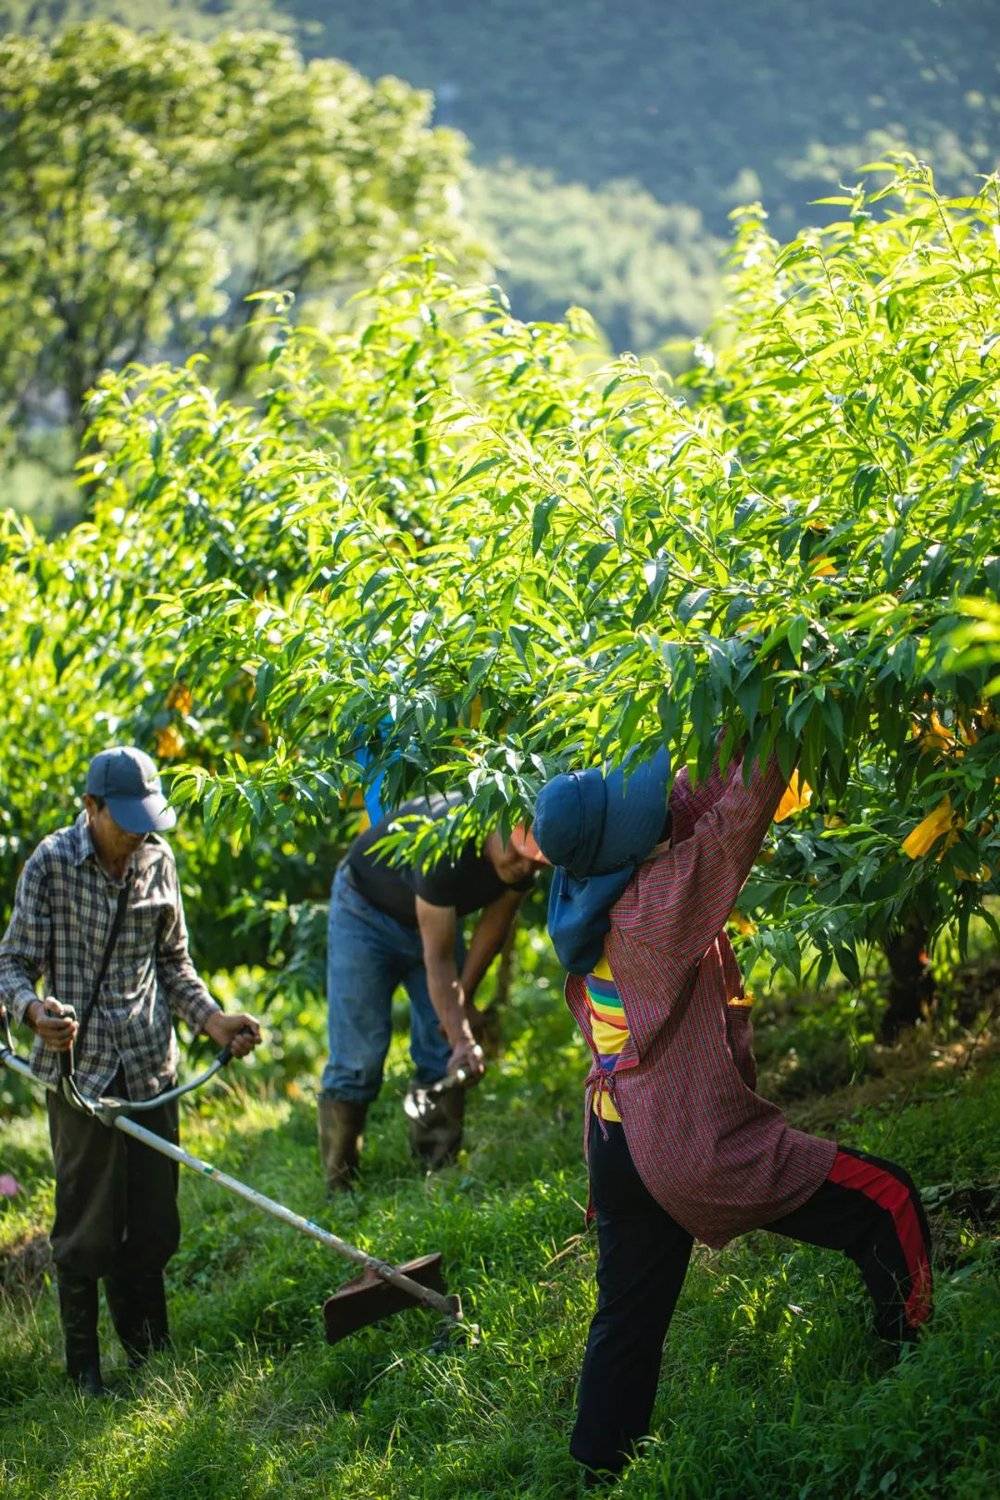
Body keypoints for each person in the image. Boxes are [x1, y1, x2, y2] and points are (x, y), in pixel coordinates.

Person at [528, 739, 932, 1487]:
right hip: (686, 1143)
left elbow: (685, 803)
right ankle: (923, 1358)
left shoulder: (580, 890)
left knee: (628, 1314)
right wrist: (781, 722)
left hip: (616, 1141)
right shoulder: (656, 908)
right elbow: (734, 822)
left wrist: (729, 708)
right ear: (627, 846)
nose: (658, 809)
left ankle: (596, 1464)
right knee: (888, 1199)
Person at [0, 746, 261, 1396]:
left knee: (154, 1221)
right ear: (90, 808)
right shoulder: (52, 864)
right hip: (79, 1072)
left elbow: (174, 965)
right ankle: (84, 1373)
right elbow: (11, 963)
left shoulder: (157, 861)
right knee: (87, 1227)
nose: (138, 832)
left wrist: (213, 1021)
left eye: (146, 818)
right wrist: (33, 1012)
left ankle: (151, 1354)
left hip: (149, 1064)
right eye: (124, 819)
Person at [319, 790, 548, 1188]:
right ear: (492, 828)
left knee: (440, 1049)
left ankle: (437, 1171)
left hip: (433, 925)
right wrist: (463, 1036)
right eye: (516, 852)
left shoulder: (526, 861)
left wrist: (462, 1006)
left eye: (534, 860)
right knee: (359, 1053)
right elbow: (439, 961)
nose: (522, 866)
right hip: (364, 913)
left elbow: (492, 932)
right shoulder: (446, 846)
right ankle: (340, 1181)